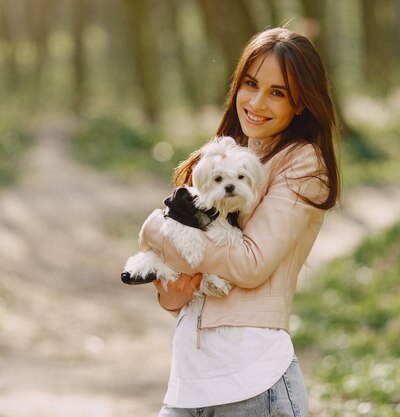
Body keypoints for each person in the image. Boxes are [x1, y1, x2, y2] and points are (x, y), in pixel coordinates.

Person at [138, 27, 340, 417]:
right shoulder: (223, 156)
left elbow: (249, 264)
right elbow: (182, 273)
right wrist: (171, 296)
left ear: (300, 104)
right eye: (251, 84)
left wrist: (155, 230)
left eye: (278, 92)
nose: (257, 102)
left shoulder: (303, 163)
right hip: (190, 379)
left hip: (252, 384)